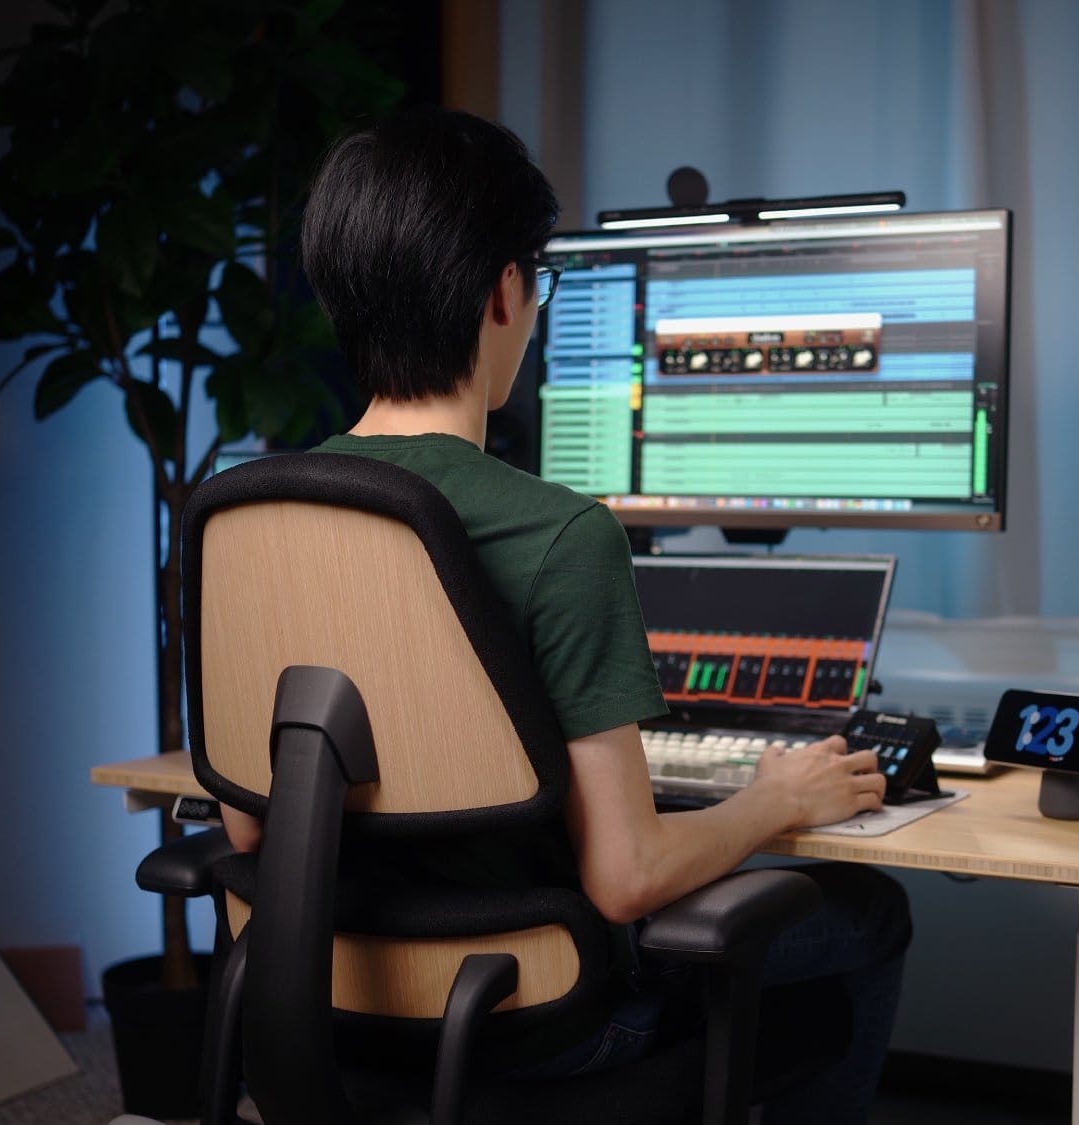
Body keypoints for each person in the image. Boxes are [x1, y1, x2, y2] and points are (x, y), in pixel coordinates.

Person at [221, 105, 911, 1122]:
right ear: (506, 292)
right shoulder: (561, 534)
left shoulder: (253, 514)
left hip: (322, 1010)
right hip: (537, 1025)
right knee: (874, 913)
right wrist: (778, 799)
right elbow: (627, 878)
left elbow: (247, 826)